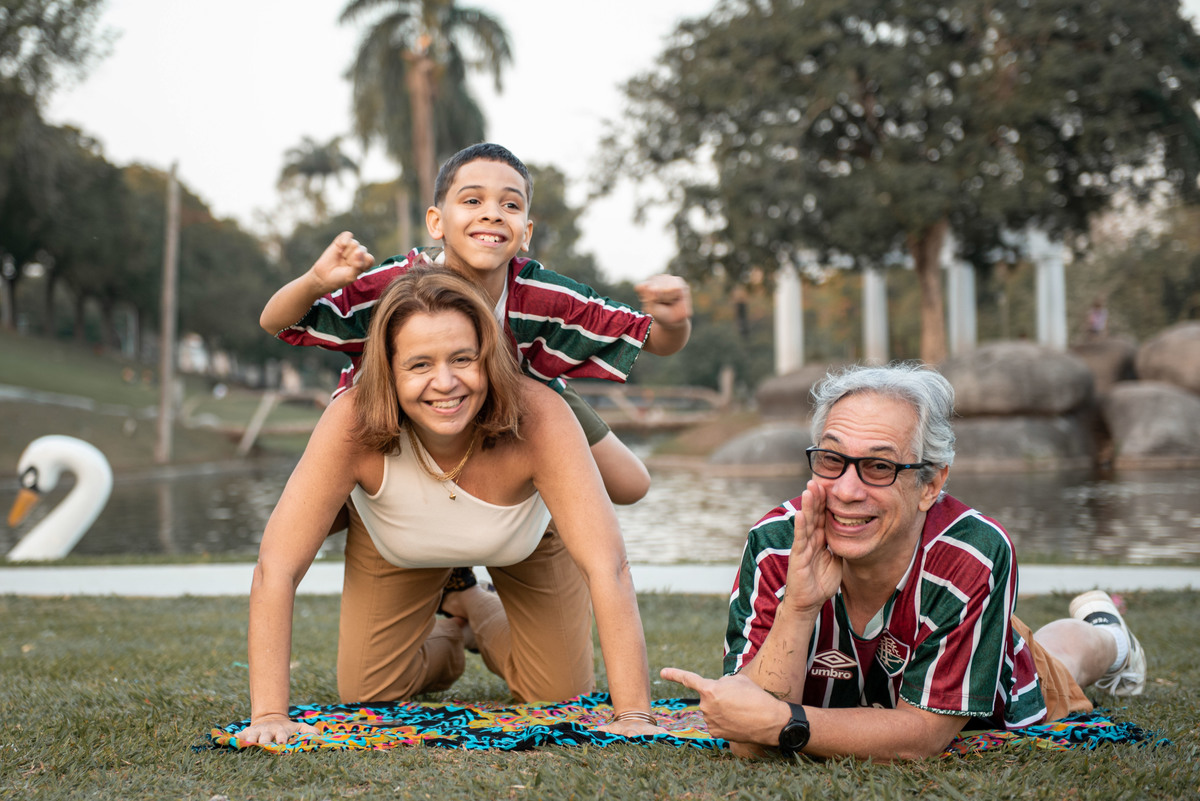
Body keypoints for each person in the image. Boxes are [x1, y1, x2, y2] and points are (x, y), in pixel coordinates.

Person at [238, 266, 665, 746]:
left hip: (525, 539)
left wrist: (634, 714)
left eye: (463, 359)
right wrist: (269, 714)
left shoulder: (542, 414)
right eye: (419, 365)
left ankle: (473, 603)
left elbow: (609, 566)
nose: (445, 382)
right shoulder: (351, 421)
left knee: (559, 694)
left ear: (489, 357)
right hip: (395, 538)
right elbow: (277, 567)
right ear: (388, 368)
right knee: (368, 694)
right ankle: (453, 632)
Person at [661, 363, 1146, 761]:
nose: (846, 491)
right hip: (886, 657)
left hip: (990, 665)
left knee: (1061, 661)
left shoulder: (971, 554)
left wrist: (785, 724)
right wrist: (800, 607)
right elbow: (748, 738)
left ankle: (1112, 637)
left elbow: (924, 735)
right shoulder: (775, 543)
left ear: (930, 485)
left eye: (879, 467)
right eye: (831, 460)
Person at [260, 142, 693, 507]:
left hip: (520, 388)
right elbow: (278, 323)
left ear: (526, 232)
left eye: (510, 204)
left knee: (630, 484)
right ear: (437, 222)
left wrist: (673, 321)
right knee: (329, 506)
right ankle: (430, 555)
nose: (492, 214)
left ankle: (532, 505)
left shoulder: (543, 296)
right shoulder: (396, 285)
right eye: (472, 200)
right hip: (402, 406)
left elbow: (654, 338)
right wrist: (316, 281)